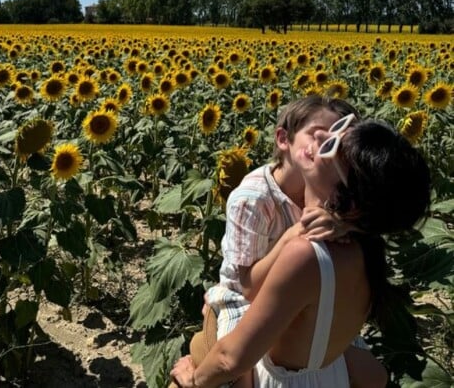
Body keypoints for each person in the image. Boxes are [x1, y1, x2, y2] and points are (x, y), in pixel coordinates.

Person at [170, 118, 432, 388]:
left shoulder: (307, 256)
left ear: (349, 201)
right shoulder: (364, 248)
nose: (319, 135)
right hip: (328, 377)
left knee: (200, 350)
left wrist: (191, 382)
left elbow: (230, 360)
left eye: (331, 146)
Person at [202, 96, 385, 388]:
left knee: (373, 376)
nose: (328, 144)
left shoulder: (332, 197)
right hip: (243, 296)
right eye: (319, 135)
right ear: (283, 139)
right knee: (240, 374)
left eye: (339, 144)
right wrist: (294, 233)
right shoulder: (254, 199)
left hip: (303, 294)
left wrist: (342, 223)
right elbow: (246, 285)